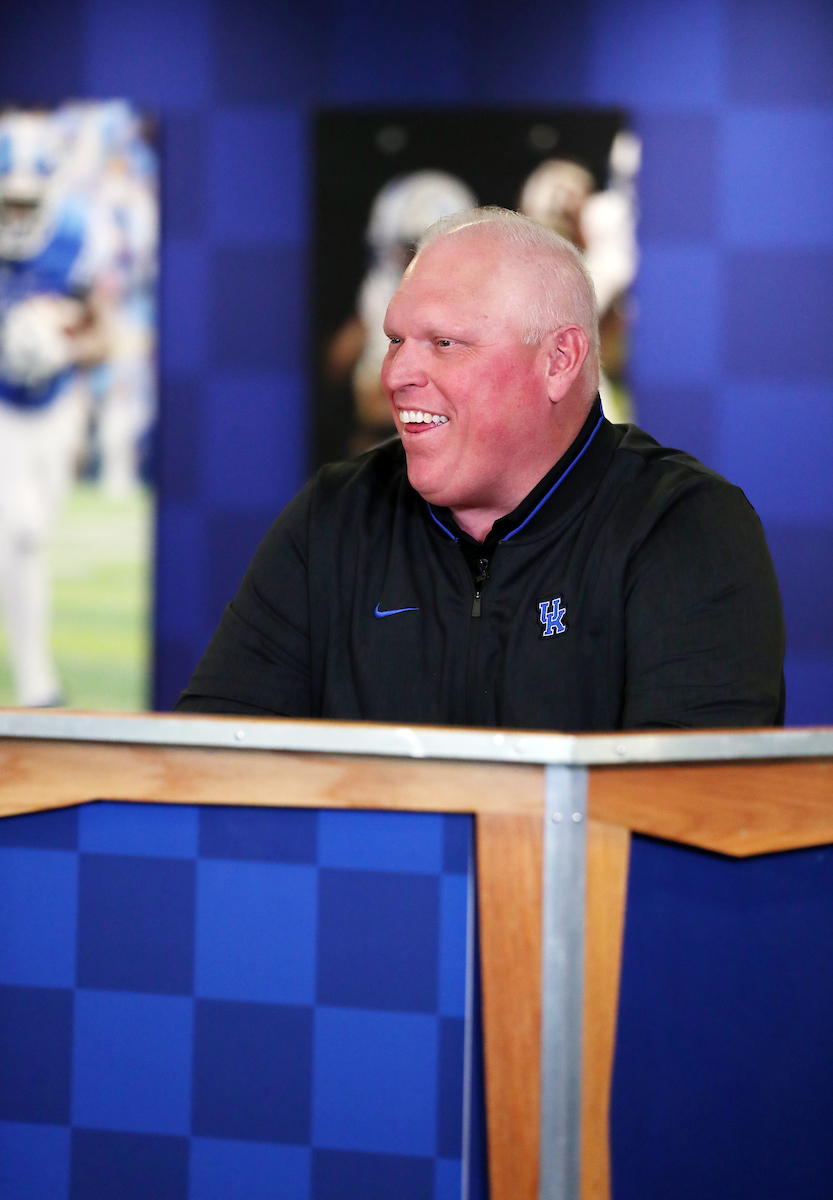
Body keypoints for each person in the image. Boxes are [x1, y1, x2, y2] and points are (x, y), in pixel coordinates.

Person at [178, 207, 785, 730]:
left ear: (559, 360)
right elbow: (206, 778)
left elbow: (688, 827)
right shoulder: (335, 517)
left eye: (444, 343)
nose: (395, 376)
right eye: (395, 341)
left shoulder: (684, 528)